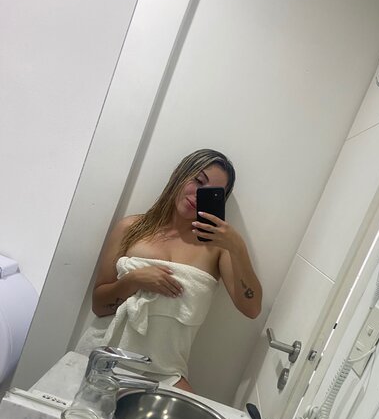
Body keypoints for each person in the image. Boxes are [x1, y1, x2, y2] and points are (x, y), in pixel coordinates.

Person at [76, 149, 262, 392]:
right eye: (198, 181)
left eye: (211, 192)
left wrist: (237, 246)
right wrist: (134, 280)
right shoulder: (130, 228)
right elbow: (99, 306)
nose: (198, 195)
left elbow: (251, 308)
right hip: (103, 358)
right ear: (179, 174)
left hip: (165, 373)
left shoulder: (217, 248)